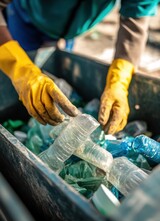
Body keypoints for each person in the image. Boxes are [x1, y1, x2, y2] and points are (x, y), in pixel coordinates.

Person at [0, 0, 159, 134]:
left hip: (71, 28)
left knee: (53, 87)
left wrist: (119, 81)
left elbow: (136, 15)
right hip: (27, 17)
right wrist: (20, 69)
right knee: (19, 89)